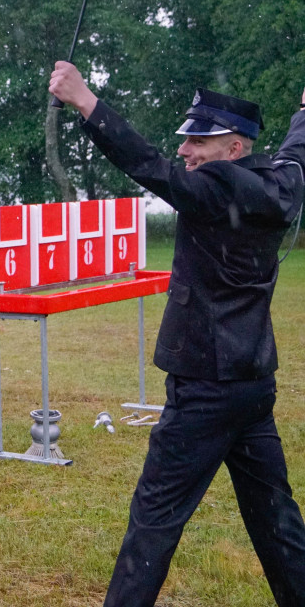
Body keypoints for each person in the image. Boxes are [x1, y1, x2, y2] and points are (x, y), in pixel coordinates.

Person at [50, 60, 305, 606]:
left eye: (199, 142)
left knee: (154, 520)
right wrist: (304, 113)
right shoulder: (281, 181)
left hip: (205, 386)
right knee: (276, 521)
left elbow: (149, 166)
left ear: (233, 150)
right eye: (186, 140)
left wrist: (86, 101)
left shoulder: (215, 189)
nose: (186, 151)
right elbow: (296, 151)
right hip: (252, 384)